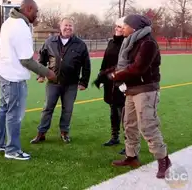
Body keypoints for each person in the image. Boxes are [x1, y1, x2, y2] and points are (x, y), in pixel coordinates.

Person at [0, 0, 57, 161]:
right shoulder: (20, 26)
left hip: (2, 71)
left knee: (4, 109)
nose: (37, 15)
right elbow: (26, 60)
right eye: (36, 12)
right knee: (14, 114)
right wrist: (48, 73)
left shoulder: (10, 21)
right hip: (12, 76)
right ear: (29, 9)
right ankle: (12, 149)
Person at [105, 14, 172, 178]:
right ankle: (131, 156)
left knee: (148, 126)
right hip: (132, 90)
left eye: (125, 25)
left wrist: (116, 75)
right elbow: (127, 64)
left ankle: (163, 160)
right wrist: (112, 73)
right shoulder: (131, 41)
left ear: (134, 27)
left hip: (146, 90)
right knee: (129, 124)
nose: (122, 28)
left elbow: (137, 68)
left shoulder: (148, 43)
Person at [30, 17, 91, 144]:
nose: (68, 28)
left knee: (67, 109)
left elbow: (86, 65)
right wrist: (41, 74)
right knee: (47, 108)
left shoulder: (80, 44)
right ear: (60, 27)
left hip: (71, 84)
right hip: (53, 82)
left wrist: (83, 82)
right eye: (66, 25)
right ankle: (41, 133)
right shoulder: (50, 41)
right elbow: (42, 59)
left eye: (70, 26)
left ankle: (64, 132)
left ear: (73, 28)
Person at [94, 18, 127, 151]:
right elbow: (105, 61)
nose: (116, 28)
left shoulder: (128, 43)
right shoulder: (111, 42)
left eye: (120, 27)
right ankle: (115, 137)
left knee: (125, 114)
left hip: (123, 83)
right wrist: (101, 77)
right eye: (116, 26)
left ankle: (129, 142)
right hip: (110, 82)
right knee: (113, 111)